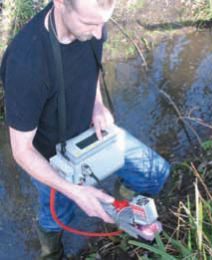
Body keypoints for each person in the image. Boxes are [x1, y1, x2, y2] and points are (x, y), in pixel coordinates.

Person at [0, 0, 170, 259]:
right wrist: (75, 191)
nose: (99, 33)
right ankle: (51, 252)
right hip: (52, 160)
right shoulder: (27, 64)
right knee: (57, 216)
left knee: (155, 173)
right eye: (90, 23)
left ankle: (123, 208)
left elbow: (89, 68)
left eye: (104, 23)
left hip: (92, 137)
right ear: (59, 3)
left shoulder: (94, 22)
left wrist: (97, 104)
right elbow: (21, 151)